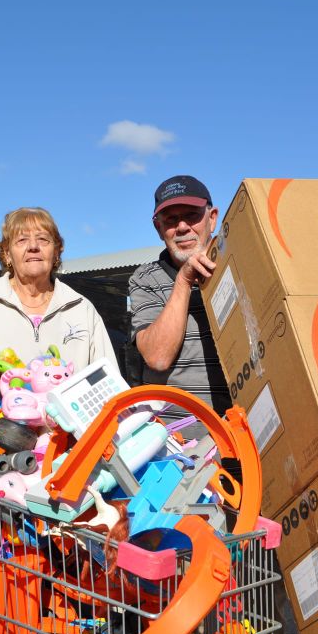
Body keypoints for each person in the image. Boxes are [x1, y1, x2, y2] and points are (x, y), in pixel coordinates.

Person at [128, 175, 231, 439]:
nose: (182, 227)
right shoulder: (145, 278)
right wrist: (184, 281)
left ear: (212, 217)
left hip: (247, 433)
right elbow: (157, 357)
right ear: (158, 228)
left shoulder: (239, 260)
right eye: (171, 221)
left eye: (192, 215)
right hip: (177, 446)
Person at [0, 206, 117, 371]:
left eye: (43, 239)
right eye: (22, 240)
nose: (33, 246)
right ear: (7, 253)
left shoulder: (81, 308)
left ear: (56, 251)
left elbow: (109, 379)